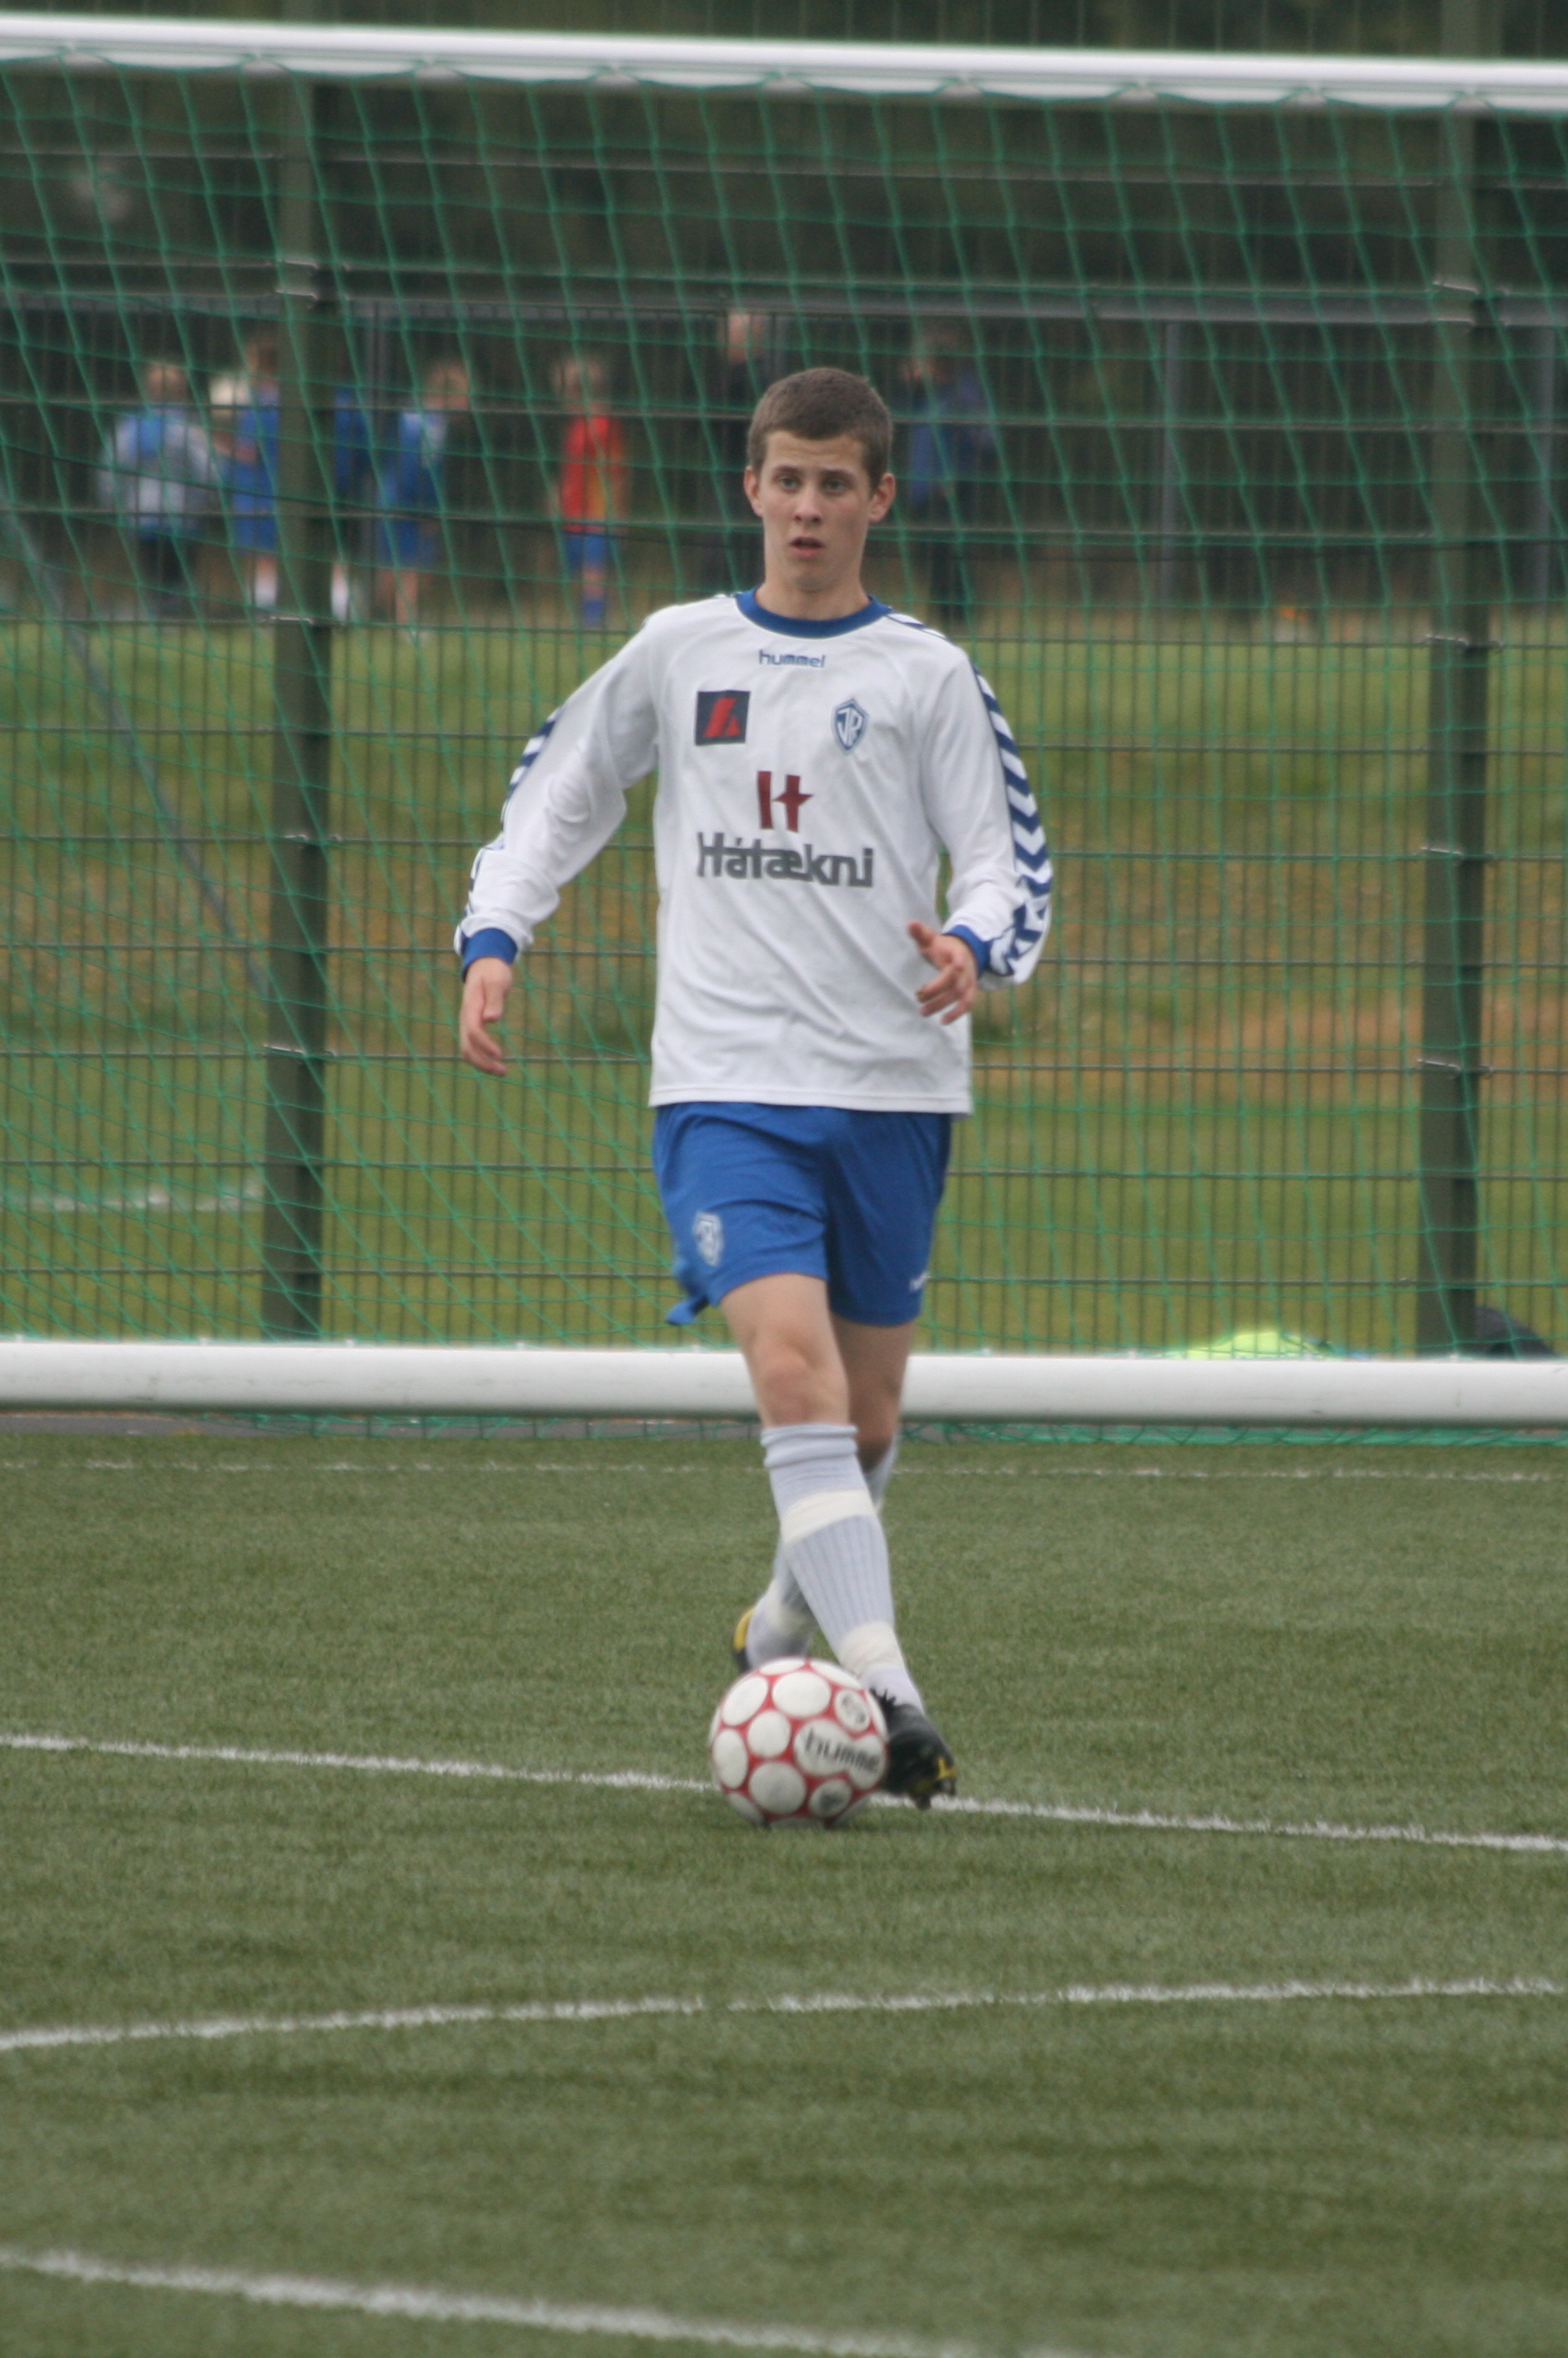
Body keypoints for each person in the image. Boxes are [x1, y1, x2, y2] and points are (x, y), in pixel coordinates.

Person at [453, 366, 1055, 1809]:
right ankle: (890, 1696)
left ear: (879, 498)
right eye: (787, 479)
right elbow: (563, 788)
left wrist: (974, 944)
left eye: (835, 483)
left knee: (866, 1422)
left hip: (895, 1087)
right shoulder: (680, 649)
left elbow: (1005, 858)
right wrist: (496, 933)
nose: (807, 507)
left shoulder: (926, 674)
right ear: (751, 487)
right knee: (792, 1371)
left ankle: (780, 1628)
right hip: (725, 1086)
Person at [890, 326, 1000, 628]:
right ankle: (944, 615)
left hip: (950, 489)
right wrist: (908, 385)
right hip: (922, 490)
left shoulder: (964, 394)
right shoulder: (922, 396)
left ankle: (960, 617)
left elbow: (986, 441)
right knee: (930, 553)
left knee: (953, 552)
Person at [97, 357, 220, 620]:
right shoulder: (188, 427)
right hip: (183, 512)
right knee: (179, 569)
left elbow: (113, 467)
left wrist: (111, 501)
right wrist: (211, 500)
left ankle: (158, 612)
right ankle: (173, 614)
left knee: (152, 567)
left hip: (142, 511)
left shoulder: (132, 425)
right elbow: (206, 469)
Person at [375, 358, 471, 630]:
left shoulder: (410, 413)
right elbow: (421, 469)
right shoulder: (433, 425)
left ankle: (384, 615)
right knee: (415, 567)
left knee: (393, 565)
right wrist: (428, 509)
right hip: (409, 501)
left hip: (390, 495)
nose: (466, 405)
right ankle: (405, 623)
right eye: (463, 397)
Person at [690, 309, 770, 596]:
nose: (721, 339)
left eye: (729, 332)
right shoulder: (724, 376)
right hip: (727, 476)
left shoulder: (755, 379)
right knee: (723, 548)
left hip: (744, 479)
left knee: (735, 548)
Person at [551, 350, 628, 630]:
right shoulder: (577, 423)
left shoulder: (602, 424)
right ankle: (591, 621)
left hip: (595, 512)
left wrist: (615, 512)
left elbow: (614, 473)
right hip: (573, 511)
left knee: (593, 570)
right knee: (581, 571)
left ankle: (594, 623)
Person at [216, 335, 285, 619]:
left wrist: (216, 443)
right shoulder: (286, 399)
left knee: (261, 557)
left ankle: (264, 615)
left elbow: (250, 451)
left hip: (257, 491)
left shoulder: (263, 403)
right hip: (278, 489)